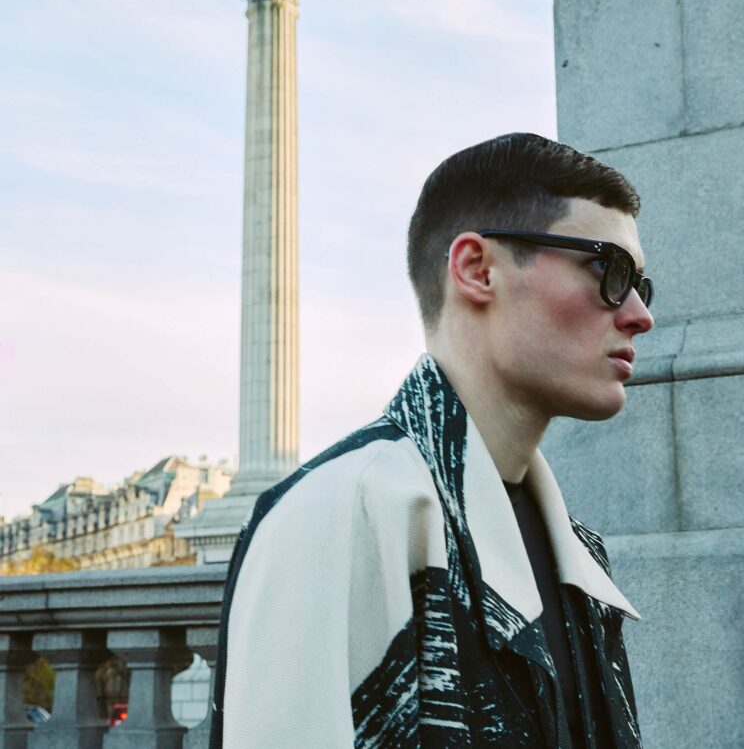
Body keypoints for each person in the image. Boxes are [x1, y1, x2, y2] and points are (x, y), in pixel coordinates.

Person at [210, 132, 654, 748]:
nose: (638, 312)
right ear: (476, 269)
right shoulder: (343, 510)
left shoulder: (577, 551)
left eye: (641, 285)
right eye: (609, 270)